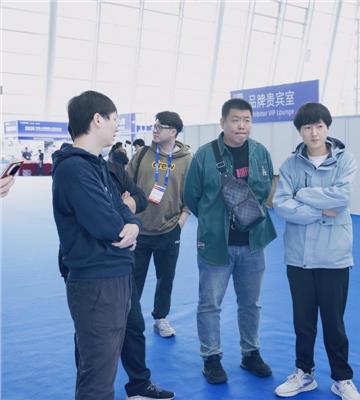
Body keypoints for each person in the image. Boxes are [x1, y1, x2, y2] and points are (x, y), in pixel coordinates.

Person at [52, 90, 140, 400]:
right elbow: (107, 224)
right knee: (98, 376)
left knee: (100, 366)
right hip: (97, 282)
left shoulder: (97, 165)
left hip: (112, 276)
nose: (117, 126)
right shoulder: (74, 169)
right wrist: (126, 225)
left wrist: (133, 224)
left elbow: (122, 209)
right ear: (97, 119)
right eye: (114, 119)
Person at [183, 98, 277, 385]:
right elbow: (191, 197)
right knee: (210, 304)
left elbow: (265, 192)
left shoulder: (260, 153)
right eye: (236, 120)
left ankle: (251, 353)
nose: (241, 126)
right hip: (216, 245)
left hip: (253, 242)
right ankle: (211, 358)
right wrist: (213, 223)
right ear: (223, 122)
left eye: (247, 120)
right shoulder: (204, 156)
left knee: (251, 303)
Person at [272, 103, 360, 400]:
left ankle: (342, 378)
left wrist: (302, 194)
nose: (314, 133)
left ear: (328, 128)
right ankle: (304, 373)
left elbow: (342, 197)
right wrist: (320, 210)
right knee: (303, 322)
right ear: (300, 131)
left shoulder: (345, 160)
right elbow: (282, 204)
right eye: (307, 127)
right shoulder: (290, 165)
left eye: (319, 126)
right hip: (298, 257)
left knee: (334, 323)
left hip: (334, 255)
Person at [127, 111, 192, 338]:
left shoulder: (187, 160)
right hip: (138, 229)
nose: (154, 130)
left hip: (169, 230)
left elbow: (191, 195)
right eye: (154, 126)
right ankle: (129, 319)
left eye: (160, 127)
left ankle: (161, 318)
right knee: (134, 278)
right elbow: (126, 184)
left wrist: (180, 223)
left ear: (173, 132)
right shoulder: (142, 154)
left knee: (166, 278)